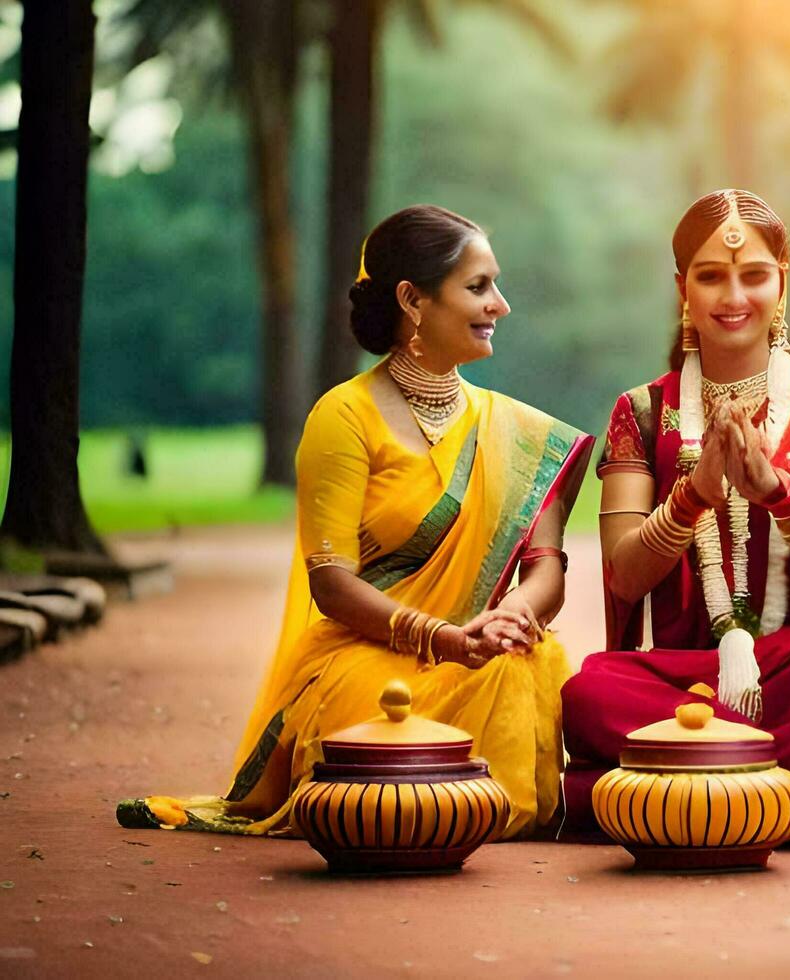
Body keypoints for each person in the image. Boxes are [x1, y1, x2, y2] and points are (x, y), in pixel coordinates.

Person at [117, 205, 592, 840]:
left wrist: (514, 616)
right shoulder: (344, 418)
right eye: (478, 287)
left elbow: (545, 567)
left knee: (527, 663)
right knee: (385, 726)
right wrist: (442, 639)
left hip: (480, 651)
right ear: (412, 301)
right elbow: (332, 583)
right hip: (371, 656)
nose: (500, 305)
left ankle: (471, 808)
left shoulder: (517, 431)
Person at [561, 190, 790, 845]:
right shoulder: (642, 411)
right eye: (711, 276)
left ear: (783, 281)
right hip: (678, 675)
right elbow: (624, 577)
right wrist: (694, 492)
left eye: (753, 274)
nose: (734, 295)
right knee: (590, 695)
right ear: (682, 290)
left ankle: (667, 798)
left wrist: (779, 495)